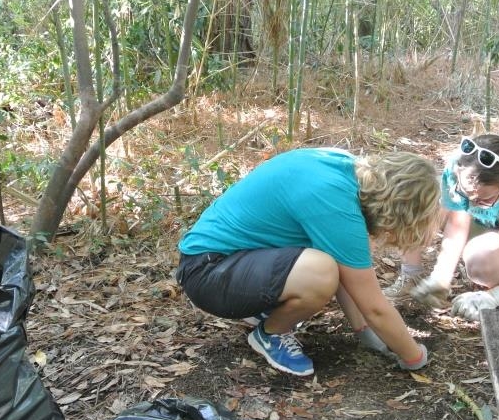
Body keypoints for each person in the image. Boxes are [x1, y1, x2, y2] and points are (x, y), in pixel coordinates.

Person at [175, 147, 442, 377]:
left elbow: (348, 273)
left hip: (227, 263)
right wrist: (414, 356)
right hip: (208, 273)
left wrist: (363, 330)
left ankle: (263, 309)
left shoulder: (343, 170)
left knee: (325, 265)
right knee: (320, 272)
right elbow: (375, 308)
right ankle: (271, 333)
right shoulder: (334, 203)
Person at [384, 134, 499, 322]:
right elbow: (458, 221)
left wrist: (495, 296)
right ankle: (411, 275)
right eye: (466, 195)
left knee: (481, 263)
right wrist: (442, 275)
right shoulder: (462, 165)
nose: (471, 205)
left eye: (483, 199)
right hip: (485, 222)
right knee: (414, 201)